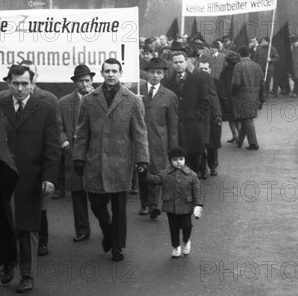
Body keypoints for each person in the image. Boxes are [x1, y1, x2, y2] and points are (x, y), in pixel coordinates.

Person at [73, 58, 149, 262]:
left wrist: (143, 160)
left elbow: (140, 133)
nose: (111, 75)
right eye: (107, 71)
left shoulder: (132, 100)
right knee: (97, 204)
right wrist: (79, 157)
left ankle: (117, 246)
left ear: (121, 73)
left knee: (119, 208)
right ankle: (108, 231)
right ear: (102, 73)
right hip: (95, 160)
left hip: (120, 161)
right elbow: (81, 133)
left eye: (115, 71)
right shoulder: (89, 100)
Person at [0, 65, 60, 292]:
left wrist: (49, 178)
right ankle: (8, 262)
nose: (20, 88)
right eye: (16, 83)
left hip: (31, 177)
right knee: (5, 224)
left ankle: (28, 275)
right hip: (2, 177)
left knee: (29, 227)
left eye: (25, 83)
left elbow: (52, 147)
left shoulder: (45, 108)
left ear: (33, 84)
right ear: (9, 83)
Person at [138, 147, 203, 258]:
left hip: (186, 206)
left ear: (185, 159)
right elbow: (154, 179)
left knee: (187, 226)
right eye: (175, 159)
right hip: (170, 206)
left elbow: (197, 192)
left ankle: (186, 240)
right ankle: (176, 247)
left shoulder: (192, 175)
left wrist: (198, 205)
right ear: (170, 161)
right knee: (173, 228)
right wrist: (144, 173)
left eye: (181, 159)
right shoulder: (165, 174)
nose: (178, 162)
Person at [58, 65, 95, 241]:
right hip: (74, 152)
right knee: (77, 193)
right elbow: (57, 127)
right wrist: (63, 139)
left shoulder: (100, 99)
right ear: (75, 83)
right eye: (81, 81)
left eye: (87, 80)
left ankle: (105, 224)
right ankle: (82, 229)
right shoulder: (63, 102)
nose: (84, 84)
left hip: (95, 153)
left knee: (98, 195)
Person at [138, 58, 178, 218]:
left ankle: (153, 205)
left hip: (159, 141)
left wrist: (174, 149)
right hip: (139, 139)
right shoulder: (136, 91)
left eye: (159, 73)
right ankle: (144, 204)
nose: (155, 75)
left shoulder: (169, 96)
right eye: (152, 72)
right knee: (141, 171)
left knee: (156, 172)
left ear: (163, 75)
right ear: (146, 73)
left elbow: (173, 124)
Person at [161, 51, 210, 174]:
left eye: (181, 62)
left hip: (192, 125)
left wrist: (198, 116)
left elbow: (205, 101)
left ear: (187, 62)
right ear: (172, 64)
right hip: (174, 126)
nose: (178, 65)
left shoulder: (197, 80)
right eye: (175, 62)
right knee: (176, 157)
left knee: (193, 157)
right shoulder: (166, 82)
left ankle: (193, 182)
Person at [197, 61, 227, 176]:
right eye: (201, 68)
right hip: (201, 116)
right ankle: (202, 167)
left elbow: (221, 99)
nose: (203, 71)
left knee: (212, 146)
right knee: (200, 145)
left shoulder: (217, 83)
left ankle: (213, 166)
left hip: (213, 116)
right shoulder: (196, 82)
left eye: (205, 68)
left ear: (210, 70)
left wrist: (219, 115)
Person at [232, 47, 265, 150]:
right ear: (250, 54)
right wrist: (262, 98)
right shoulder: (257, 66)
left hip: (242, 96)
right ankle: (240, 141)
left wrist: (232, 92)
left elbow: (236, 83)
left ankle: (253, 143)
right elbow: (262, 83)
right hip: (255, 95)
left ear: (239, 55)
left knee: (246, 119)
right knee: (245, 118)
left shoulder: (238, 66)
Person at [220, 52, 241, 144]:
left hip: (228, 96)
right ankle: (240, 136)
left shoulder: (225, 69)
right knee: (237, 118)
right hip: (238, 95)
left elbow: (221, 81)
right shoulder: (240, 68)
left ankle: (235, 135)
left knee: (230, 118)